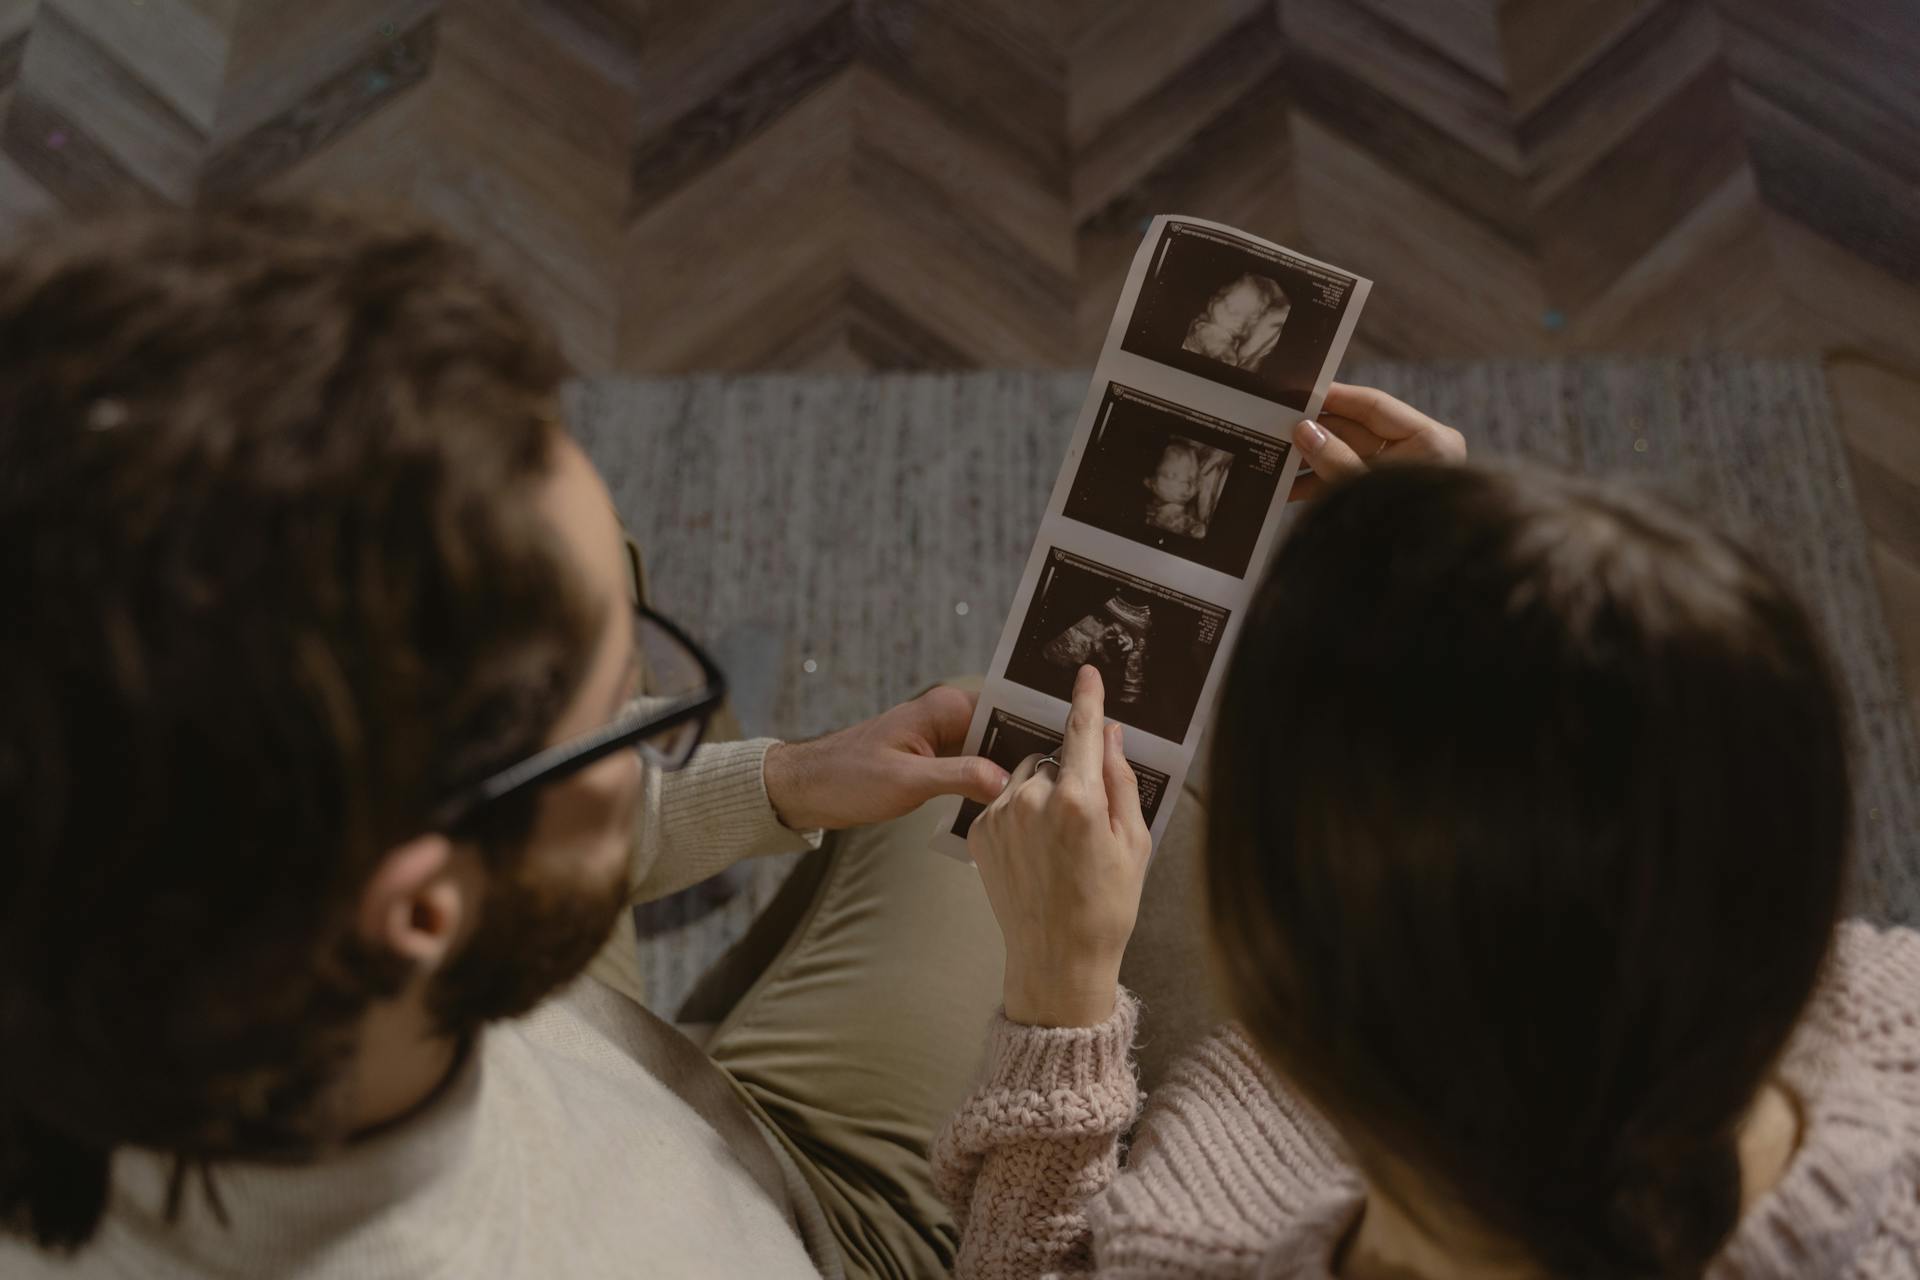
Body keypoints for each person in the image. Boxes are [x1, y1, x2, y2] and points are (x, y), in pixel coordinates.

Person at [0, 201, 1037, 1279]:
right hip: (812, 1228)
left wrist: (778, 781)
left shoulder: (101, 834)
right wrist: (1065, 1009)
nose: (645, 730)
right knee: (1019, 742)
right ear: (422, 908)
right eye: (618, 718)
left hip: (587, 1079)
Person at [938, 389, 1920, 1278]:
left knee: (961, 785)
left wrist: (1058, 1002)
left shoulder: (1188, 1245)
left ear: (1288, 952)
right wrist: (1505, 624)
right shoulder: (1894, 1016)